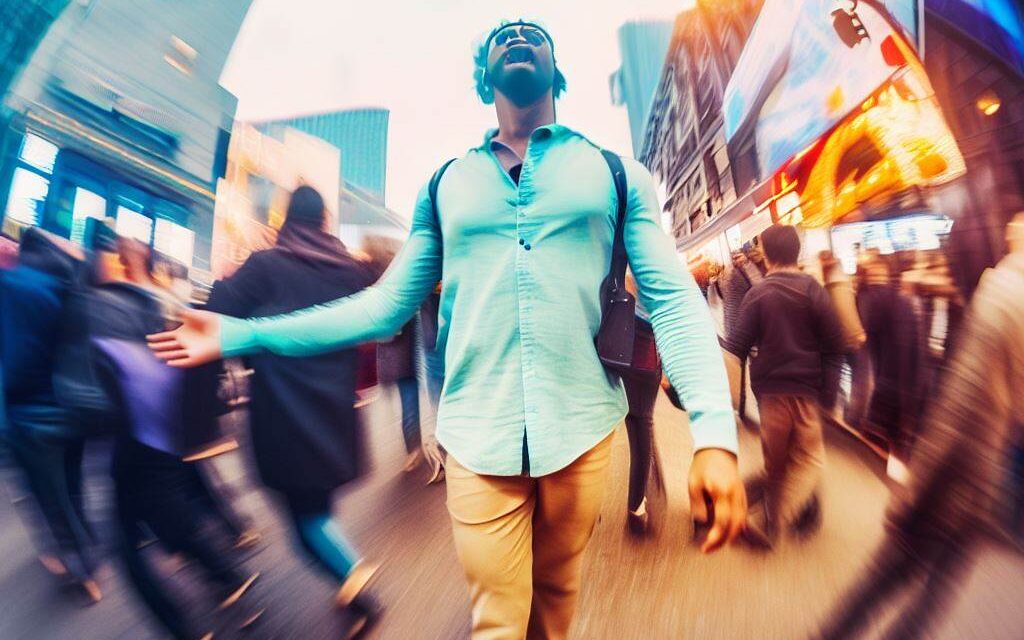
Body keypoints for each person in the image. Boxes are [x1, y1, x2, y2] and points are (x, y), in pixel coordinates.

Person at [149, 20, 744, 640]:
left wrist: (713, 434)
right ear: (484, 73)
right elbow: (381, 309)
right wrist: (238, 334)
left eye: (533, 32)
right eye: (502, 36)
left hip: (581, 433)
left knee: (558, 596)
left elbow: (673, 300)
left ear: (555, 67)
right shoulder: (444, 185)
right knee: (497, 622)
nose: (517, 35)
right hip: (477, 439)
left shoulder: (616, 174)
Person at [815, 214, 1024, 640]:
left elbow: (962, 407)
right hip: (988, 484)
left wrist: (913, 488)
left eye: (1015, 231)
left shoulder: (1003, 293)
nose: (1009, 233)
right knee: (932, 597)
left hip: (953, 479)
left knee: (887, 578)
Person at [203, 186, 381, 636]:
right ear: (324, 220)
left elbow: (217, 311)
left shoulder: (266, 265)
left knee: (305, 522)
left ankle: (355, 577)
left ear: (287, 217)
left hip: (283, 412)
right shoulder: (349, 270)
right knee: (314, 506)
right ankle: (347, 575)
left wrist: (227, 276)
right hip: (336, 409)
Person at [89, 232, 261, 640]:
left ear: (124, 259)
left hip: (143, 426)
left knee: (139, 530)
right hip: (167, 418)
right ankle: (225, 568)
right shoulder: (161, 295)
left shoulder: (113, 301)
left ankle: (200, 600)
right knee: (182, 494)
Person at [724, 226, 847, 546]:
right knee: (806, 461)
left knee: (776, 464)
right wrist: (829, 400)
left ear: (766, 254)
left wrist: (726, 403)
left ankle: (727, 507)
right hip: (806, 394)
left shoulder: (759, 294)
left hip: (769, 396)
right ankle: (770, 523)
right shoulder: (814, 290)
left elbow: (735, 347)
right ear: (796, 251)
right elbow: (835, 348)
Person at [0, 227, 101, 603]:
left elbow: (16, 361)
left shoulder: (13, 286)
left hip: (31, 417)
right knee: (73, 486)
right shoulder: (71, 285)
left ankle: (80, 569)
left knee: (49, 498)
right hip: (72, 409)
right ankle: (89, 543)